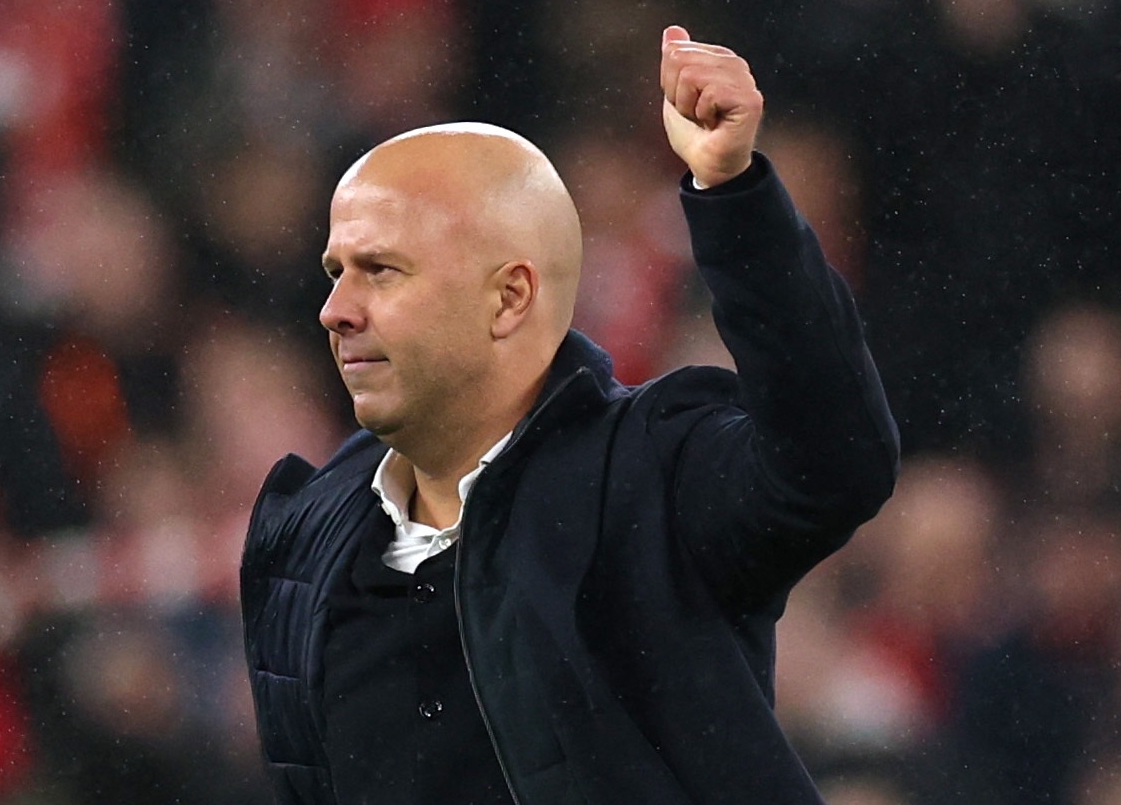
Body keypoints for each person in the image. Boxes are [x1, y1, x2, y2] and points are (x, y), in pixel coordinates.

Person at [240, 24, 899, 805]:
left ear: (509, 296)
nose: (335, 310)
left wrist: (735, 196)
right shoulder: (300, 532)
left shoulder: (653, 473)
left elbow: (835, 462)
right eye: (335, 272)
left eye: (380, 270)